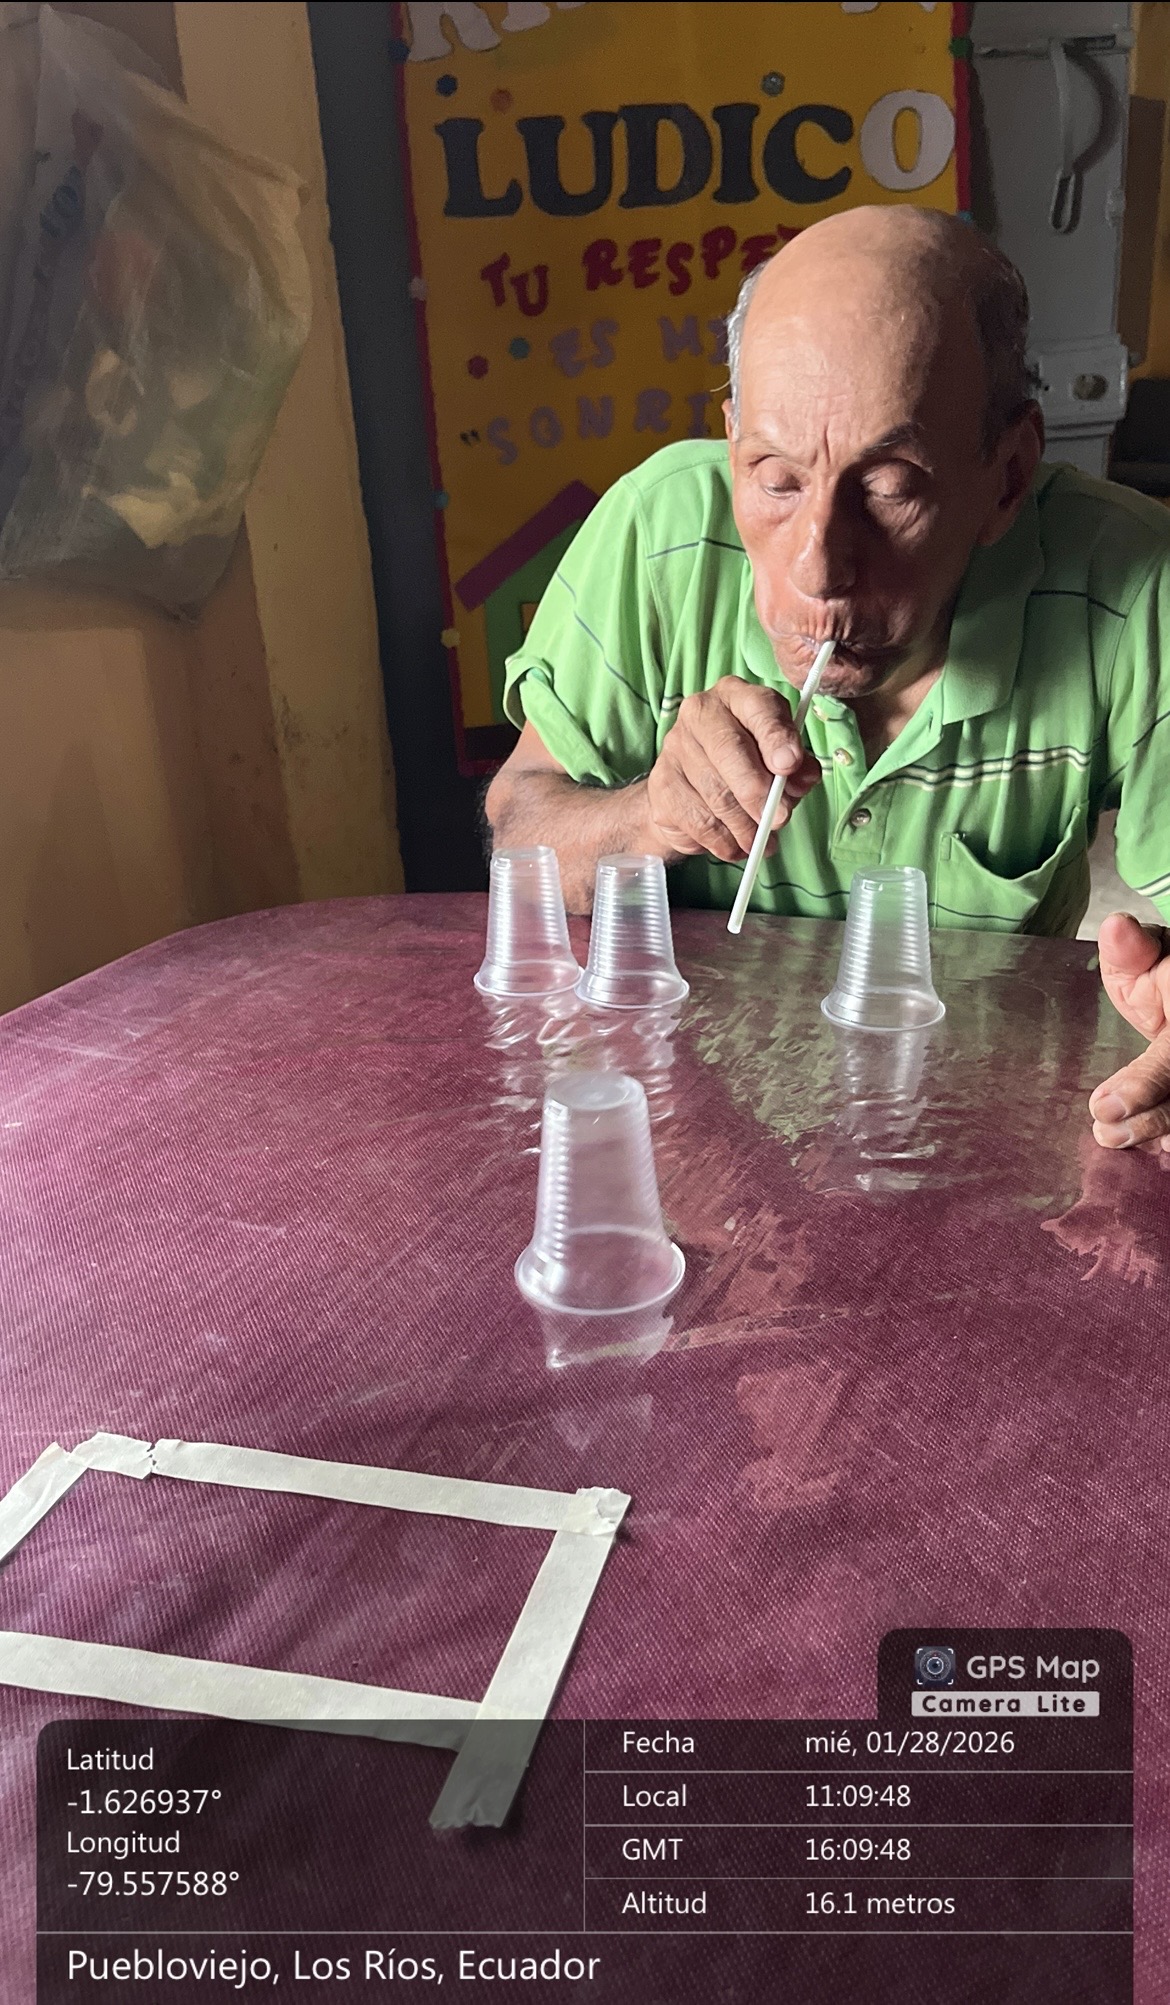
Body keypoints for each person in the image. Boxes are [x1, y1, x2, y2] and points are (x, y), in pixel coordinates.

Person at [485, 206, 1170, 1153]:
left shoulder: (1134, 585)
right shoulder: (654, 537)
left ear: (1008, 475)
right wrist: (650, 816)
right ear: (732, 442)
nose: (818, 567)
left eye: (889, 485)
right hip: (694, 1126)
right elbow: (518, 827)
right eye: (776, 479)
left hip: (973, 1119)